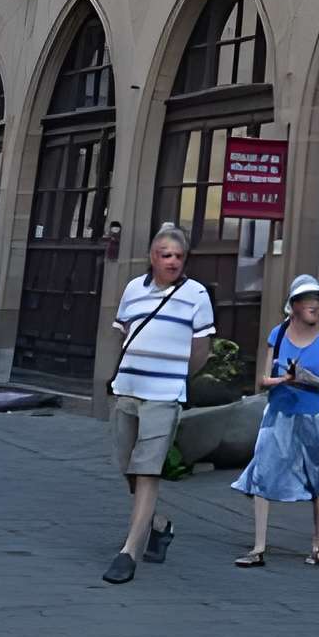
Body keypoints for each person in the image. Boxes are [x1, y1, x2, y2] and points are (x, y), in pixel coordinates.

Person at [103, 224, 214, 586]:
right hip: (128, 389)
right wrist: (114, 378)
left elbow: (201, 349)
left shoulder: (196, 294)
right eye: (166, 255)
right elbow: (120, 334)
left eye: (179, 256)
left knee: (148, 469)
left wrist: (176, 378)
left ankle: (129, 552)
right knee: (128, 468)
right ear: (153, 257)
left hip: (164, 396)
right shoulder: (133, 289)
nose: (173, 261)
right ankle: (160, 525)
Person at [233, 274, 319, 568]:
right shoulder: (278, 334)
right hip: (278, 412)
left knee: (316, 477)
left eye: (317, 299)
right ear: (294, 305)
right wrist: (284, 379)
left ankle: (318, 541)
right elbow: (262, 380)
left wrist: (310, 380)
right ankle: (258, 547)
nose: (314, 305)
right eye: (308, 300)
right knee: (263, 471)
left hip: (312, 413)